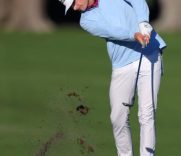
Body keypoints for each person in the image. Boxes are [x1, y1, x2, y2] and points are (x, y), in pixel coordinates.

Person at [59, 0, 166, 155]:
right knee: (118, 117)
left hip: (149, 55)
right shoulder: (86, 21)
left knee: (146, 113)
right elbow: (112, 30)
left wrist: (143, 22)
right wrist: (134, 34)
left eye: (74, 2)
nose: (74, 8)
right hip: (122, 64)